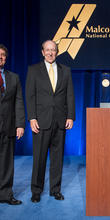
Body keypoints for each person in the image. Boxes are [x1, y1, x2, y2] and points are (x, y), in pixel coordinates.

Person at [26, 40, 75, 203]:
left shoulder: (66, 70)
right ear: (42, 52)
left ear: (57, 52)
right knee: (39, 158)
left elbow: (70, 95)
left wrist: (70, 116)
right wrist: (32, 117)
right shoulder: (33, 70)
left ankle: (55, 189)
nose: (50, 52)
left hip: (60, 121)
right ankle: (36, 190)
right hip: (41, 121)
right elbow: (30, 96)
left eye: (53, 50)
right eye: (47, 50)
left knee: (57, 157)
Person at [0, 44, 25, 205]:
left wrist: (20, 124)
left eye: (3, 55)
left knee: (6, 163)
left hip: (8, 126)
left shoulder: (14, 77)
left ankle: (5, 194)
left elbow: (18, 102)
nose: (0, 57)